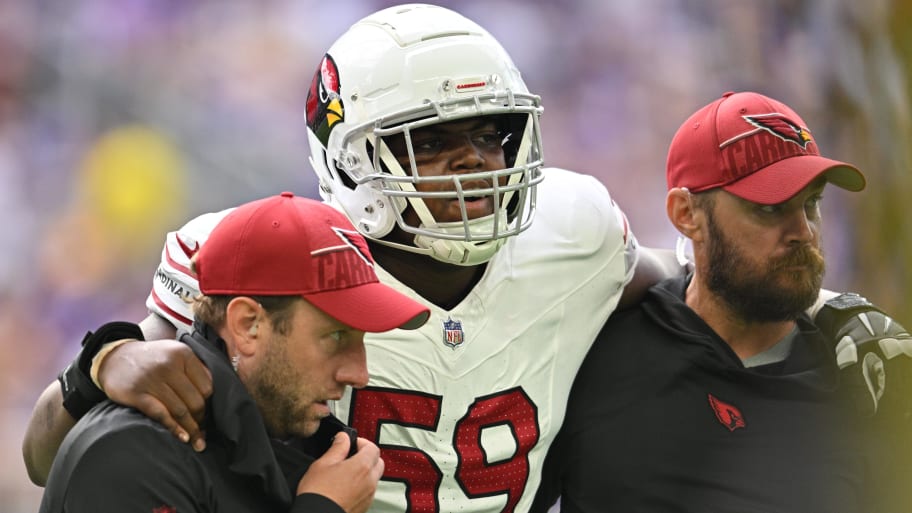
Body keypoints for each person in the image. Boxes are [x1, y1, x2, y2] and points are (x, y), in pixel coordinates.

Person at [22, 6, 909, 513]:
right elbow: (48, 456)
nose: (478, 163)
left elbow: (690, 282)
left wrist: (825, 306)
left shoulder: (574, 229)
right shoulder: (260, 260)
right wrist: (108, 360)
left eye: (493, 134)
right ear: (354, 156)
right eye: (436, 141)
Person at [531, 91, 912, 513]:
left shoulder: (865, 384)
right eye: (769, 208)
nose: (802, 231)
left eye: (812, 203)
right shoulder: (595, 355)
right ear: (686, 214)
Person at [39, 192, 431, 513]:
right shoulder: (133, 454)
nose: (359, 374)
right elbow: (37, 456)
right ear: (247, 324)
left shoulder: (308, 447)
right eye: (335, 337)